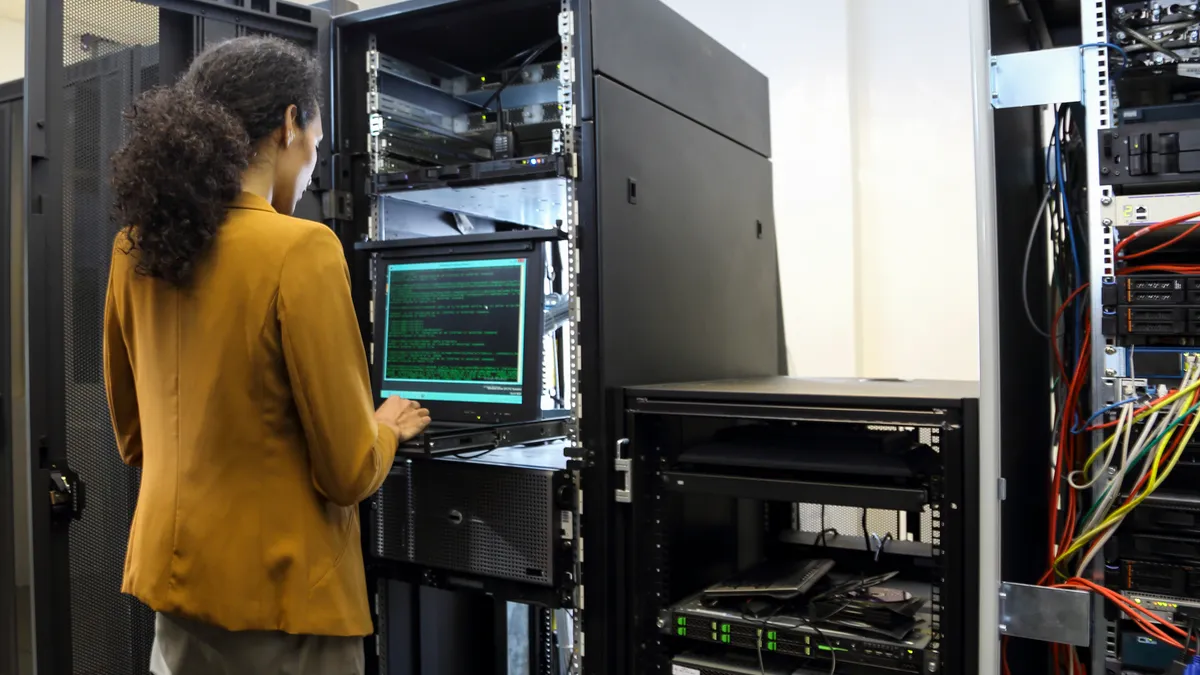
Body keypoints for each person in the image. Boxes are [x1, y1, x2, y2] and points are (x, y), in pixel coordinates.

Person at [103, 36, 430, 675]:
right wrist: (386, 428)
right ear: (288, 124)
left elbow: (134, 440)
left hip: (175, 593)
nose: (312, 164)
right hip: (285, 603)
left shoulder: (133, 248)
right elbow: (347, 470)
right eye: (315, 140)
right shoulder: (301, 248)